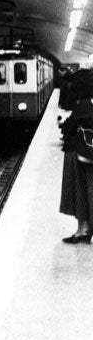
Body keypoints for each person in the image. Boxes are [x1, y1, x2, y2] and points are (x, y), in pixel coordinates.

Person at [59, 72, 93, 242]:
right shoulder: (89, 103)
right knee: (88, 191)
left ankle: (83, 230)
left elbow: (68, 127)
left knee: (79, 192)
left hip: (80, 155)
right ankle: (85, 228)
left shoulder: (84, 105)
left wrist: (65, 125)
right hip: (87, 154)